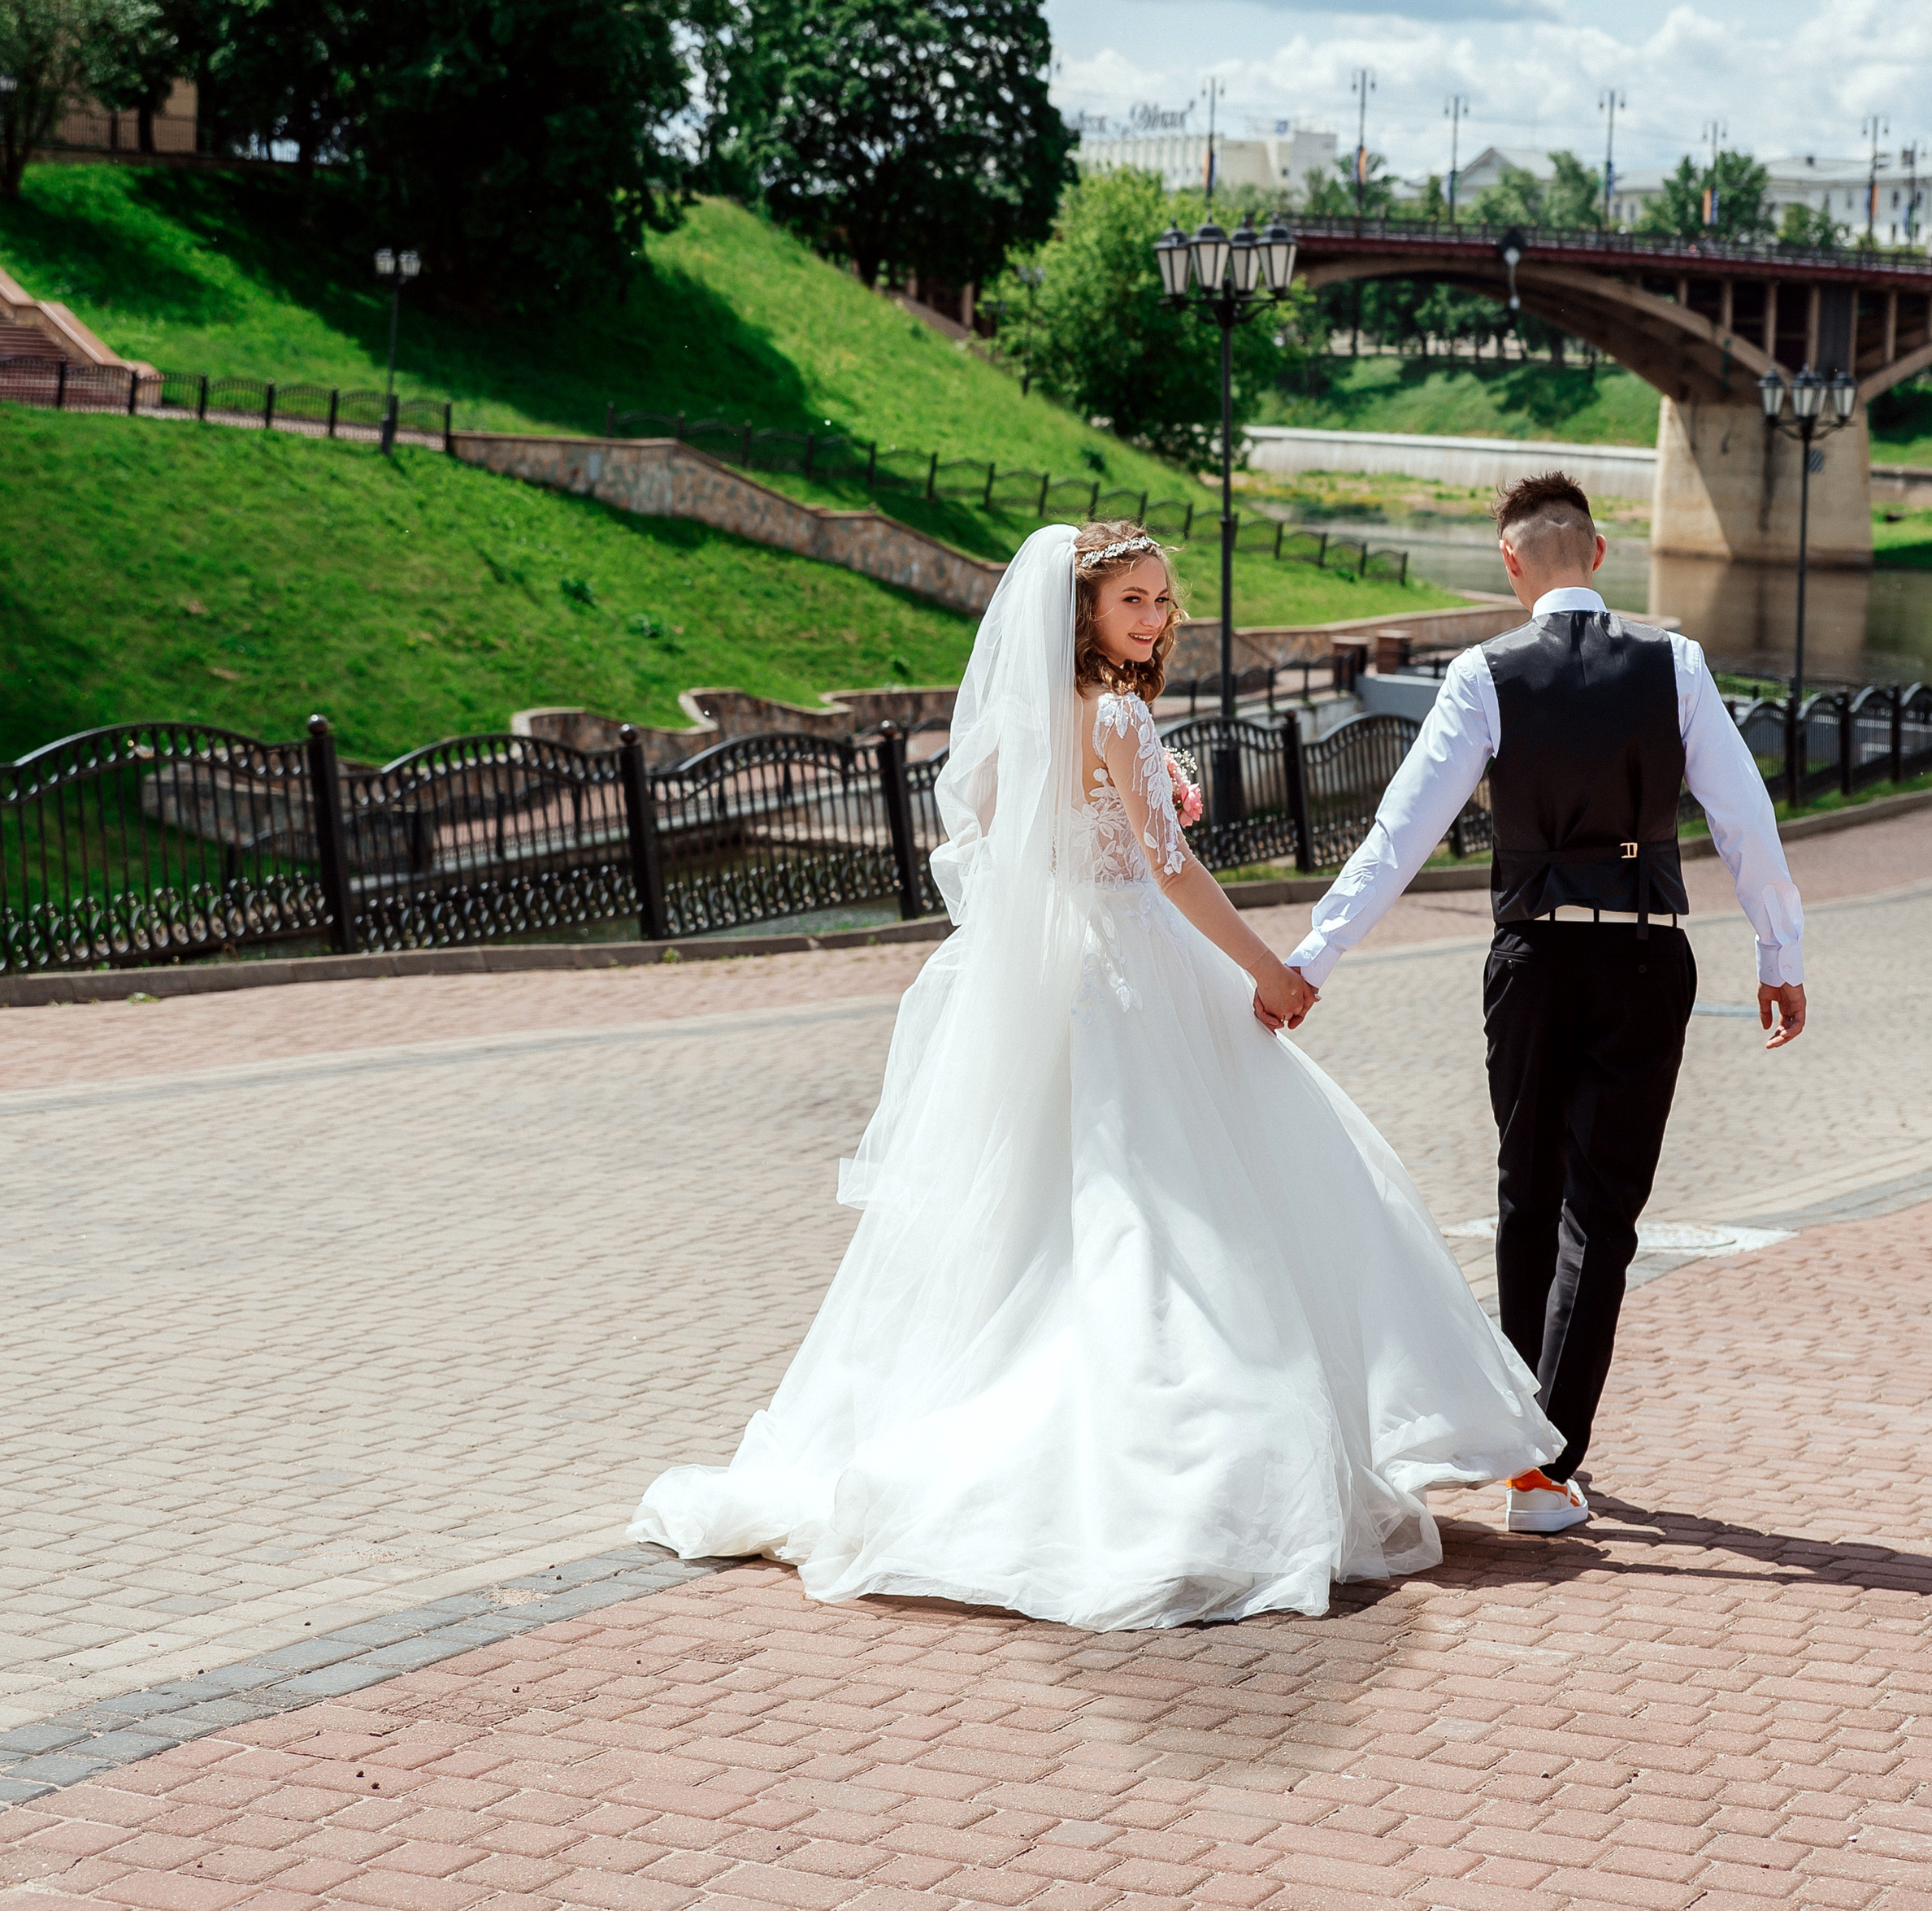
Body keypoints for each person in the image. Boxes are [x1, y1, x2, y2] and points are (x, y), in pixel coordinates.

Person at [630, 519, 1561, 1629]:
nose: (1158, 619)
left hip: (1063, 975)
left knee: (1060, 1216)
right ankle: (1166, 1472)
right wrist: (1272, 968)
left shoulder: (1037, 715)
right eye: (1135, 601)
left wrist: (1131, 799)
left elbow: (991, 828)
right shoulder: (1115, 710)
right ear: (1081, 613)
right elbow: (1168, 874)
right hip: (1134, 973)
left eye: (1165, 602)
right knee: (1167, 1215)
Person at [1279, 471, 1807, 1539]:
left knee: (1529, 1193)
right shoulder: (1677, 664)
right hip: (1648, 956)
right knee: (1600, 1215)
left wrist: (1313, 958)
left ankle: (1534, 1455)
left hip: (1530, 957)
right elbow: (1743, 817)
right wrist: (1778, 948)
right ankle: (1545, 1464)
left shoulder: (1484, 674)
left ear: (1511, 563)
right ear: (1601, 555)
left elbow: (1400, 834)